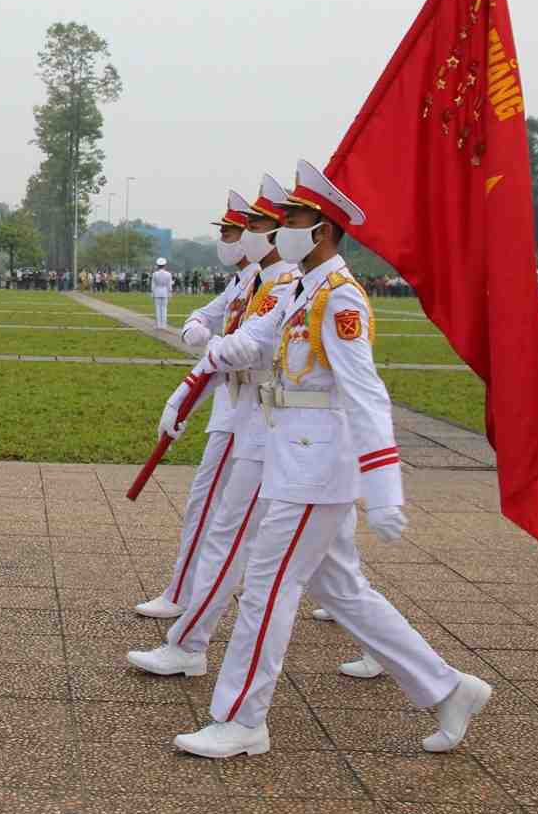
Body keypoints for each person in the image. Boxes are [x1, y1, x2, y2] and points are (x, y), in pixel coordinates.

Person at [180, 160, 490, 759]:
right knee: (345, 593)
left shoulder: (341, 300)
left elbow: (365, 392)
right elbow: (254, 341)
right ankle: (447, 688)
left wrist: (385, 485)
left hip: (316, 463)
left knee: (268, 587)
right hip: (292, 454)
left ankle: (243, 718)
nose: (280, 232)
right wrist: (206, 348)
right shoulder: (301, 287)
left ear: (320, 230)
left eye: (291, 220)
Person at [132, 181, 293, 632]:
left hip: (258, 407)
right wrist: (199, 336)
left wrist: (191, 383)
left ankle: (183, 597)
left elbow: (242, 348)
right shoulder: (248, 281)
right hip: (241, 401)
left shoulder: (284, 282)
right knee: (301, 530)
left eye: (240, 230)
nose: (231, 239)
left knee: (222, 512)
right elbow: (208, 316)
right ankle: (360, 622)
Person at [150, 257, 175, 329]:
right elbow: (169, 285)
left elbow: (153, 285)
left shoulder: (155, 274)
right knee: (164, 309)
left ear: (157, 265)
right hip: (165, 292)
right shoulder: (168, 274)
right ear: (164, 265)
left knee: (157, 309)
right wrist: (170, 293)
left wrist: (152, 293)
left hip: (157, 292)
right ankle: (164, 325)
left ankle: (158, 325)